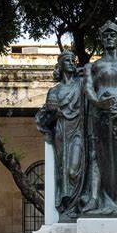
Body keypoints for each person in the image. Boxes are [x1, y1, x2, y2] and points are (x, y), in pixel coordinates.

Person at [82, 21, 117, 215]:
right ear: (101, 39)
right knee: (96, 156)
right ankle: (94, 198)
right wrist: (99, 103)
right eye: (105, 35)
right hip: (99, 114)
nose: (109, 38)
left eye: (112, 35)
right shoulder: (92, 66)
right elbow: (89, 89)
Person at [36, 50, 85, 220]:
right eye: (68, 60)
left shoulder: (82, 85)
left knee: (74, 169)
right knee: (63, 169)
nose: (72, 63)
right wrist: (53, 112)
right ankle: (68, 207)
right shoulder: (54, 91)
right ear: (61, 65)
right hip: (61, 132)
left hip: (78, 131)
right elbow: (46, 119)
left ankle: (79, 204)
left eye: (74, 60)